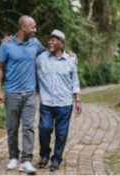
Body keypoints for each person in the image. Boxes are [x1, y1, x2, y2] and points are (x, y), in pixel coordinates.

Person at [0, 15, 45, 174]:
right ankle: (13, 158)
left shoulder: (35, 43)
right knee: (12, 128)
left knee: (29, 127)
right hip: (11, 93)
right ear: (23, 28)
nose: (35, 30)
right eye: (32, 27)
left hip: (30, 93)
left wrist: (68, 53)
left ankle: (26, 160)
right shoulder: (6, 45)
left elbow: (49, 53)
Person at [36, 29, 82, 172]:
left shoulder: (70, 60)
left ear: (61, 44)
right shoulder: (40, 58)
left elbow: (75, 81)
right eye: (49, 39)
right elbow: (23, 54)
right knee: (44, 129)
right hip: (47, 103)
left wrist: (78, 100)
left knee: (61, 134)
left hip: (64, 104)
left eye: (54, 40)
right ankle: (44, 155)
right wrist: (10, 41)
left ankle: (56, 159)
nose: (50, 41)